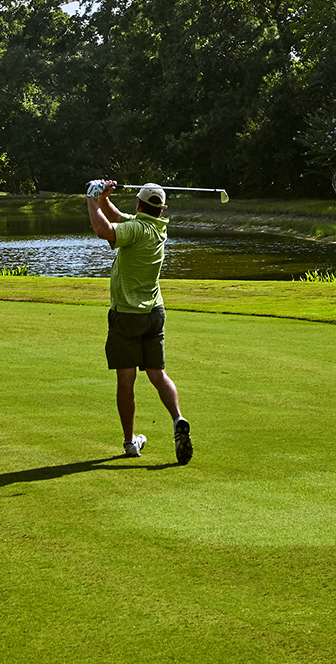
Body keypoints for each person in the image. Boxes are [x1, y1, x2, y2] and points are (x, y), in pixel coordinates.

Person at [87, 179, 193, 464]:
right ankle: (178, 420)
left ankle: (129, 442)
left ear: (139, 205)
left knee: (126, 379)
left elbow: (102, 229)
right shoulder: (158, 228)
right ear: (160, 209)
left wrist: (90, 198)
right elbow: (117, 218)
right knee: (158, 375)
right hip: (154, 313)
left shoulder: (135, 229)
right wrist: (103, 199)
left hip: (127, 315)